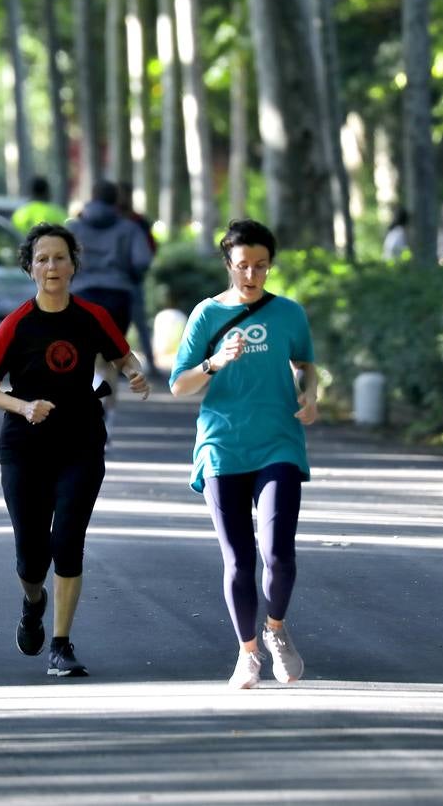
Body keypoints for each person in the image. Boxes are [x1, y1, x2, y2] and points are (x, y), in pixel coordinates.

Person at [0, 224, 150, 678]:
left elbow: (121, 355)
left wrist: (133, 372)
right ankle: (33, 602)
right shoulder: (17, 323)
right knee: (32, 556)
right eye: (43, 259)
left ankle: (61, 644)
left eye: (60, 258)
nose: (52, 266)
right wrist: (23, 405)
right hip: (25, 447)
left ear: (73, 265)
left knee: (68, 542)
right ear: (30, 268)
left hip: (81, 442)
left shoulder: (92, 316)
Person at [168, 219, 319, 689]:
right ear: (228, 265)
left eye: (260, 266)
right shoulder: (207, 316)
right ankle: (247, 652)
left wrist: (311, 395)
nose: (251, 275)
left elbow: (306, 364)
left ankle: (275, 630)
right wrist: (214, 362)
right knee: (239, 559)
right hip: (222, 446)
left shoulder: (289, 313)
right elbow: (178, 384)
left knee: (278, 554)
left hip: (278, 442)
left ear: (270, 266)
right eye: (242, 266)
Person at [66, 179, 153, 437]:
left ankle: (82, 418)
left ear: (90, 197)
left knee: (83, 359)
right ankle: (105, 420)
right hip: (118, 298)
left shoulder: (73, 228)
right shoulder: (129, 228)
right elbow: (142, 260)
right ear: (116, 201)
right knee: (110, 360)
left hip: (81, 297)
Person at [116, 182, 161, 376]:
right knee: (121, 326)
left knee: (139, 324)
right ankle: (122, 365)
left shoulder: (137, 221)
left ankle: (149, 363)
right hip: (123, 281)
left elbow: (150, 248)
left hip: (130, 281)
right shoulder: (128, 221)